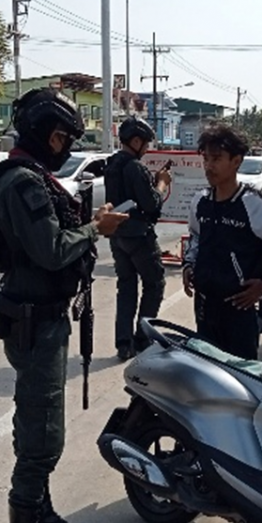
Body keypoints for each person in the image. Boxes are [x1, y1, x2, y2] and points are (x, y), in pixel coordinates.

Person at [0, 87, 127, 523]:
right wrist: (96, 229)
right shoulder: (23, 181)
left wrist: (88, 222)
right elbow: (49, 250)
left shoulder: (30, 176)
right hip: (35, 323)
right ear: (45, 133)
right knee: (42, 440)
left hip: (40, 319)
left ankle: (40, 519)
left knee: (37, 426)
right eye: (63, 136)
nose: (65, 146)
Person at [182, 122, 262, 360]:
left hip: (239, 310)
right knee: (207, 370)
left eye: (216, 159)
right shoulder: (200, 201)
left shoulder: (253, 203)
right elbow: (196, 237)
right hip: (204, 306)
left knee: (240, 375)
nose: (209, 166)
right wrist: (188, 265)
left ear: (236, 161)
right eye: (205, 159)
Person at [104, 116, 173, 361]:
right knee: (155, 284)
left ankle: (124, 343)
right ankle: (143, 338)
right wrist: (161, 184)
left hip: (117, 235)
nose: (146, 149)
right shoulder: (135, 167)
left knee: (126, 287)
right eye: (145, 143)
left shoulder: (112, 164)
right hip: (139, 236)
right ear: (135, 141)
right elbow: (151, 204)